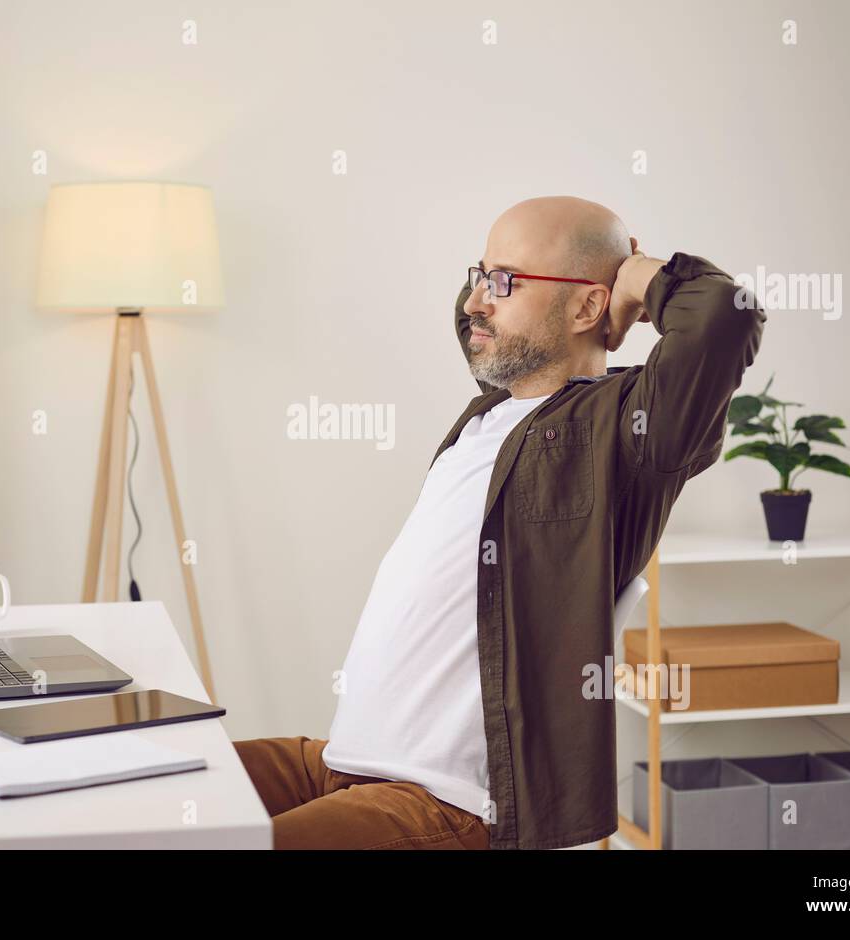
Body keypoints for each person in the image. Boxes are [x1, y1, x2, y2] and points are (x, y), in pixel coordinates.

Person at [234, 196, 766, 849]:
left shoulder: (628, 434)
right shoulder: (485, 417)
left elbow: (722, 317)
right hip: (340, 762)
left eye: (504, 282)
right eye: (478, 276)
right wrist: (514, 285)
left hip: (442, 802)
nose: (475, 301)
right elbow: (480, 323)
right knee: (124, 789)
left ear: (587, 307)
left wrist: (632, 277)